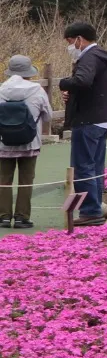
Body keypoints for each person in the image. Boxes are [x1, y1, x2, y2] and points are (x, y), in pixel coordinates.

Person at [56, 23, 107, 225]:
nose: (70, 47)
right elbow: (89, 87)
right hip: (102, 119)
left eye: (70, 42)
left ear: (79, 39)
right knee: (95, 166)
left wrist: (64, 83)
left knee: (83, 167)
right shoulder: (102, 57)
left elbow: (82, 81)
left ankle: (90, 210)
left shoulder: (89, 57)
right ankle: (96, 206)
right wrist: (72, 95)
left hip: (88, 120)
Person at [0, 56, 54, 229]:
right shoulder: (37, 90)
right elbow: (48, 116)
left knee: (3, 180)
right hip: (30, 142)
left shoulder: (1, 89)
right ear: (28, 72)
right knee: (26, 180)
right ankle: (22, 218)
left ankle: (3, 217)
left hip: (3, 142)